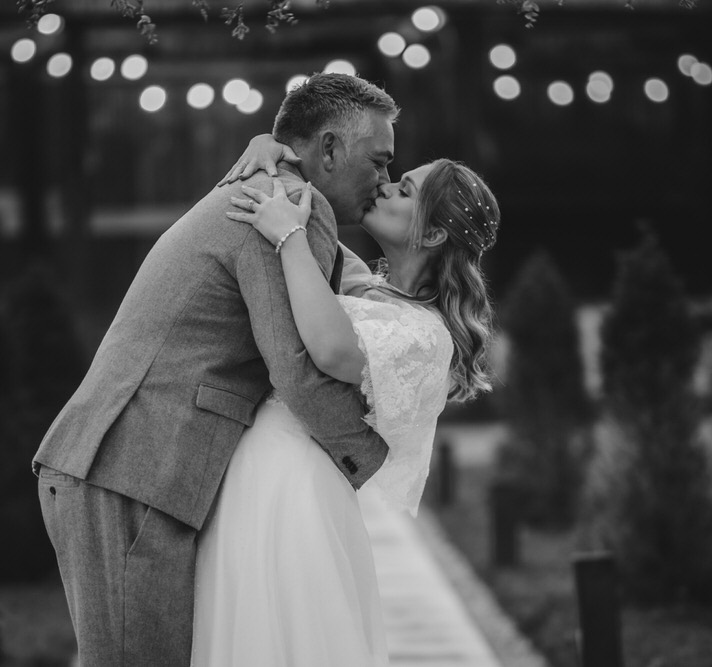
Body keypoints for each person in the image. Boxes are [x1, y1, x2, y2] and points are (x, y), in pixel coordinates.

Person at [32, 73, 397, 666]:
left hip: (127, 467)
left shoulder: (270, 191)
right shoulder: (290, 210)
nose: (383, 180)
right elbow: (298, 369)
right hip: (130, 469)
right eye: (378, 161)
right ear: (328, 149)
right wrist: (376, 458)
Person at [190, 133, 500, 665]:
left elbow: (331, 348)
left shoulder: (427, 336)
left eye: (404, 189)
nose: (382, 186)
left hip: (296, 483)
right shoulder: (367, 282)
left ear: (433, 233)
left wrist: (288, 239)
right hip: (250, 469)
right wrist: (270, 142)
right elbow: (311, 207)